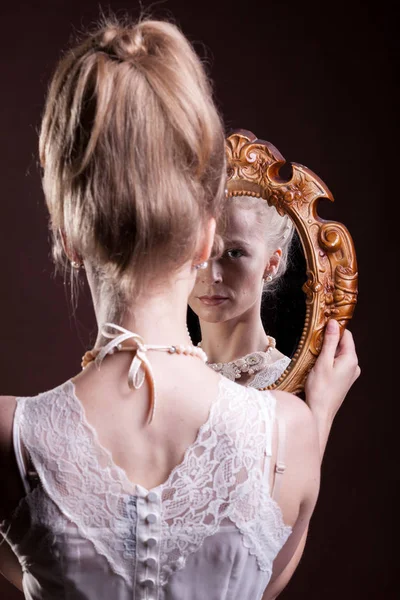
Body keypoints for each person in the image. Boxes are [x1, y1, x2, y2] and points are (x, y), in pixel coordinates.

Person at [0, 16, 359, 600]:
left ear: (68, 232)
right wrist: (314, 424)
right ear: (204, 237)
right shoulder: (289, 437)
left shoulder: (11, 440)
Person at [189, 193, 295, 388]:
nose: (211, 275)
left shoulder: (293, 383)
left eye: (234, 253)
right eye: (197, 252)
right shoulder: (166, 375)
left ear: (271, 263)